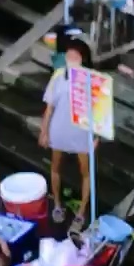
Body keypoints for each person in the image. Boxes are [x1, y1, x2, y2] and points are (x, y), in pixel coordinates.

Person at [40, 33, 98, 227]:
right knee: (55, 167)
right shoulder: (58, 76)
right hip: (59, 130)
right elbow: (49, 108)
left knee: (86, 172)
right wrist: (44, 131)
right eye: (69, 55)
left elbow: (99, 111)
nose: (71, 59)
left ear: (84, 58)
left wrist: (97, 136)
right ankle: (57, 204)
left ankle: (82, 211)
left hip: (82, 133)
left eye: (76, 56)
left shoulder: (93, 80)